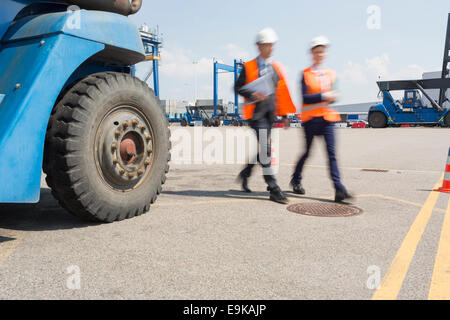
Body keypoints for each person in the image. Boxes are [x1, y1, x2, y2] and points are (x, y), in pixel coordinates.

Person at [235, 28, 296, 204]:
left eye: (272, 45)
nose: (271, 48)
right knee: (267, 150)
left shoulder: (274, 68)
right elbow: (238, 88)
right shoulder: (248, 67)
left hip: (270, 115)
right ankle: (273, 188)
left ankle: (245, 174)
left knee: (263, 149)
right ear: (259, 46)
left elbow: (280, 93)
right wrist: (252, 94)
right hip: (256, 115)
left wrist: (284, 115)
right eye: (268, 45)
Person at [291, 36, 352, 203]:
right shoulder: (305, 74)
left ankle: (339, 188)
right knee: (307, 153)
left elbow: (335, 95)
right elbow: (305, 97)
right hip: (310, 120)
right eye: (317, 51)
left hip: (327, 119)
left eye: (322, 52)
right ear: (312, 53)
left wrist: (333, 96)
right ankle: (296, 179)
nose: (320, 54)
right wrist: (325, 95)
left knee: (331, 154)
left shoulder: (331, 74)